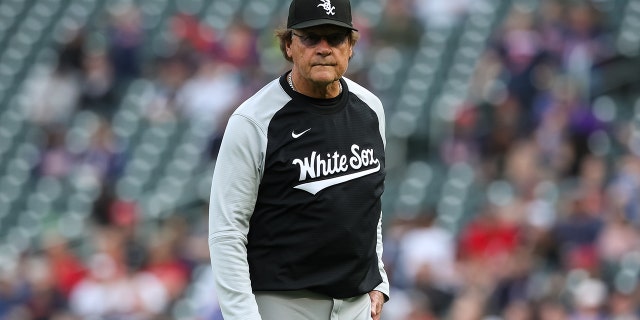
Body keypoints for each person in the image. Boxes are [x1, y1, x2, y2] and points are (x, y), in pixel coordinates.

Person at [208, 0, 389, 319]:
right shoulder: (254, 121)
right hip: (284, 304)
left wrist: (379, 280)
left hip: (356, 306)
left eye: (334, 38)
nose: (323, 48)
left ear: (350, 47)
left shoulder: (370, 109)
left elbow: (368, 204)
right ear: (288, 45)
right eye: (310, 37)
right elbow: (227, 231)